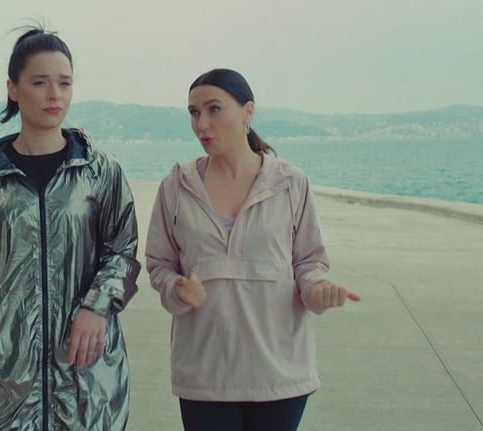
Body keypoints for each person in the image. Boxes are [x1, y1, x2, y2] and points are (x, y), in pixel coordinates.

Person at [0, 26, 140, 431]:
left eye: (64, 83)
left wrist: (97, 304)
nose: (54, 94)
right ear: (13, 88)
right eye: (40, 82)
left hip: (84, 369)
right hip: (1, 370)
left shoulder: (100, 171)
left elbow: (123, 250)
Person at [145, 69, 361, 431]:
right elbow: (159, 264)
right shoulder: (175, 188)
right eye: (194, 113)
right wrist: (175, 288)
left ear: (248, 111)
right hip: (204, 374)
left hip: (279, 373)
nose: (202, 124)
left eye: (214, 109)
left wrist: (317, 289)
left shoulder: (291, 183)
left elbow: (308, 262)